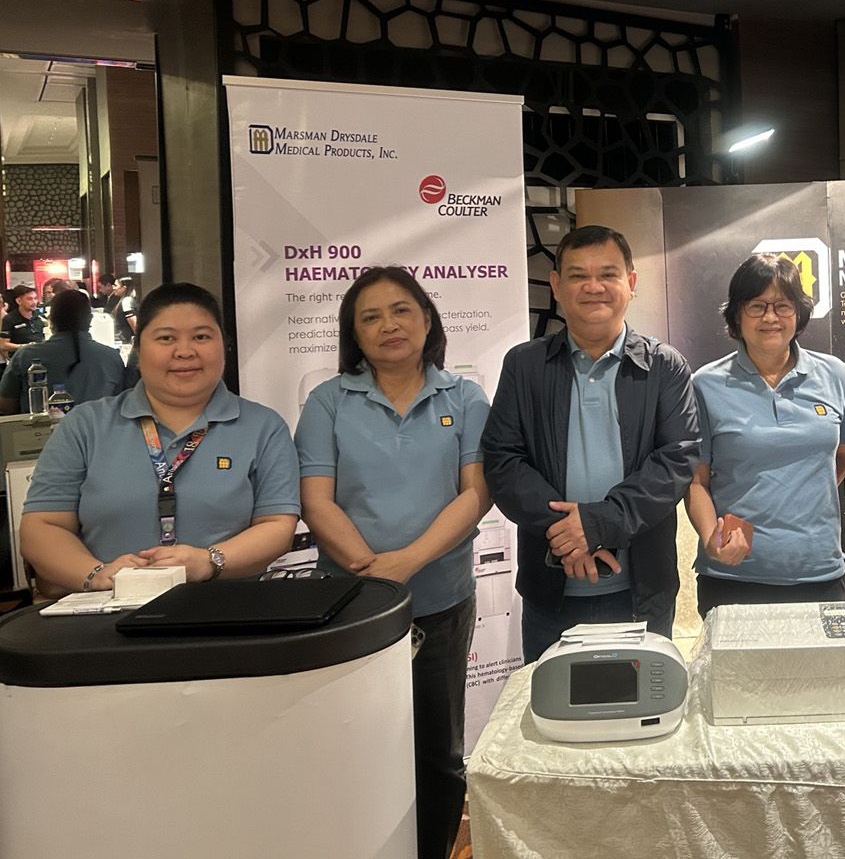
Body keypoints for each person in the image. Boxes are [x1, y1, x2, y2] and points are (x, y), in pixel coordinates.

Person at [294, 266, 491, 859]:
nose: (389, 325)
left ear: (426, 319)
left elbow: (476, 494)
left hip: (440, 602)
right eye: (371, 317)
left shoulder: (465, 397)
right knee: (355, 747)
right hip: (350, 606)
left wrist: (408, 561)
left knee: (437, 752)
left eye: (401, 310)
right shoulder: (329, 401)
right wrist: (370, 570)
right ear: (354, 334)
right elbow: (316, 499)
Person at [482, 224, 700, 664]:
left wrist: (598, 524)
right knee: (550, 703)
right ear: (556, 285)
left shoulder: (664, 366)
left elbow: (676, 462)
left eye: (608, 274)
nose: (594, 286)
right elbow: (503, 460)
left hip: (642, 591)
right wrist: (568, 534)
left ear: (631, 282)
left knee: (643, 701)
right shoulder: (525, 365)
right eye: (578, 275)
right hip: (551, 589)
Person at [19, 283, 299, 596]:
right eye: (166, 338)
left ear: (225, 345)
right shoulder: (85, 425)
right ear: (138, 348)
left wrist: (209, 561)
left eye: (201, 337)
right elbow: (43, 526)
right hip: (105, 610)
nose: (185, 351)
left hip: (228, 607)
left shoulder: (263, 427)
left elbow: (277, 525)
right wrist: (97, 575)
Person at [685, 254, 845, 616]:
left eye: (782, 306)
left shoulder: (834, 375)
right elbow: (697, 481)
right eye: (757, 306)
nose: (770, 317)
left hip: (819, 572)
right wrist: (713, 538)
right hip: (733, 576)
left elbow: (844, 453)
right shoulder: (705, 384)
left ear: (799, 312)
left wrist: (803, 496)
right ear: (736, 314)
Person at [0, 289, 125, 413]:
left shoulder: (25, 356)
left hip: (42, 426)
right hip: (98, 425)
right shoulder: (112, 357)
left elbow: (6, 405)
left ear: (51, 320)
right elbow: (121, 404)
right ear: (90, 319)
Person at [0, 285, 39, 356]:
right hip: (21, 357)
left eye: (35, 298)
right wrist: (24, 346)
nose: (34, 302)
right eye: (29, 299)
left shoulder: (39, 316)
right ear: (19, 301)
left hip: (40, 355)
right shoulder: (9, 319)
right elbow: (3, 345)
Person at [110, 277, 138, 345]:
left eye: (115, 285)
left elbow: (134, 325)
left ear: (124, 288)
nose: (113, 288)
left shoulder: (126, 301)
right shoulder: (125, 301)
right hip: (122, 340)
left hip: (125, 341)